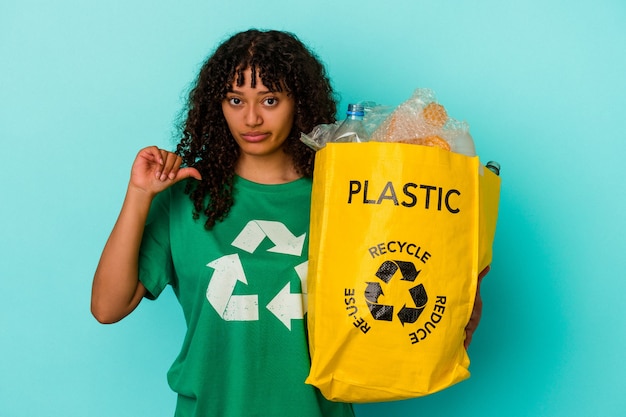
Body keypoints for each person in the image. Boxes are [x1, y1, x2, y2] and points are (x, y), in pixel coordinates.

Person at [92, 28, 484, 416]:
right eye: (235, 99)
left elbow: (401, 271)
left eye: (270, 99)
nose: (251, 117)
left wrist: (462, 297)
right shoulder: (185, 198)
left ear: (299, 102)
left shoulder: (346, 196)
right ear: (218, 106)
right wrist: (139, 195)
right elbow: (108, 308)